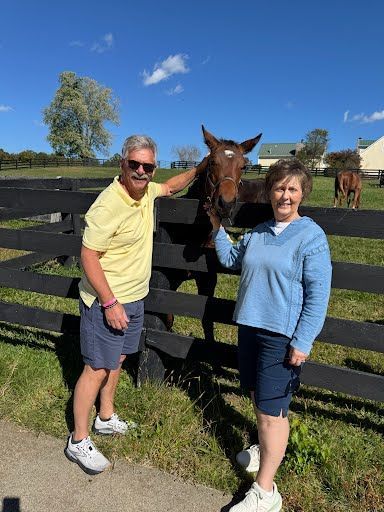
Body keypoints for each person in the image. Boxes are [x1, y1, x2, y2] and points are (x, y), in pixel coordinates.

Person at [65, 134, 207, 475]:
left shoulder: (146, 194)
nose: (141, 171)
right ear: (122, 164)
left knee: (119, 357)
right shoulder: (108, 204)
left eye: (148, 166)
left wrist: (202, 168)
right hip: (107, 300)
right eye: (135, 164)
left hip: (133, 298)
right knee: (96, 367)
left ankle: (106, 416)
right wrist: (109, 301)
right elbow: (88, 255)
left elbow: (170, 187)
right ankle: (78, 440)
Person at [206, 158, 332, 512]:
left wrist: (303, 341)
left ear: (302, 193)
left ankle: (266, 492)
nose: (285, 195)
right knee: (259, 398)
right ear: (269, 192)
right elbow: (231, 260)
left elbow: (318, 296)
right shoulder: (258, 232)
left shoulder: (311, 236)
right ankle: (266, 447)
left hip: (282, 336)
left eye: (292, 189)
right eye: (279, 188)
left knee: (271, 412)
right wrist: (217, 227)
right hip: (249, 327)